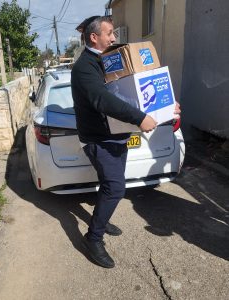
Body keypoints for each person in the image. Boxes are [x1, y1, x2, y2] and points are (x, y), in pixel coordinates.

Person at [71, 16, 181, 268]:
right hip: (99, 140)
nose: (114, 38)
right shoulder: (85, 66)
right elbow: (102, 100)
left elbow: (134, 90)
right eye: (109, 33)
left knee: (109, 186)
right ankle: (93, 238)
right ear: (94, 37)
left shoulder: (109, 60)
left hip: (117, 135)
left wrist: (164, 106)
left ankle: (101, 218)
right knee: (116, 187)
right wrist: (140, 117)